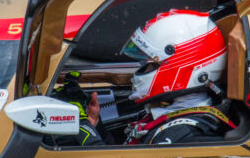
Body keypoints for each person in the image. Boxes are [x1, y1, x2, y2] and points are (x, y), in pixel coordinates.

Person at [66, 10, 235, 146]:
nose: (142, 70)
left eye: (151, 63)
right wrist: (96, 126)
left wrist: (86, 133)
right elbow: (125, 156)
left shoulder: (189, 138)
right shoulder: (171, 112)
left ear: (184, 66)